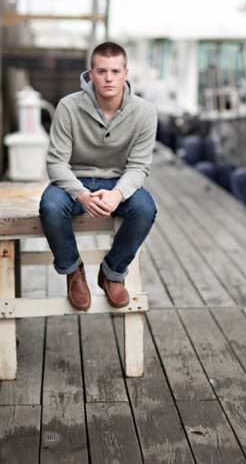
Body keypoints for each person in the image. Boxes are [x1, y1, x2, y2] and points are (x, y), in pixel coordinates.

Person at [39, 41, 158, 311]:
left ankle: (112, 273)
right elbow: (56, 162)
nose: (109, 78)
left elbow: (139, 167)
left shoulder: (145, 112)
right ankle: (74, 270)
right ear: (90, 74)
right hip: (74, 180)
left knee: (144, 208)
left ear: (126, 74)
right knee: (51, 206)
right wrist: (81, 194)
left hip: (116, 183)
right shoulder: (68, 107)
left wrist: (117, 194)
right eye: (102, 71)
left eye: (115, 71)